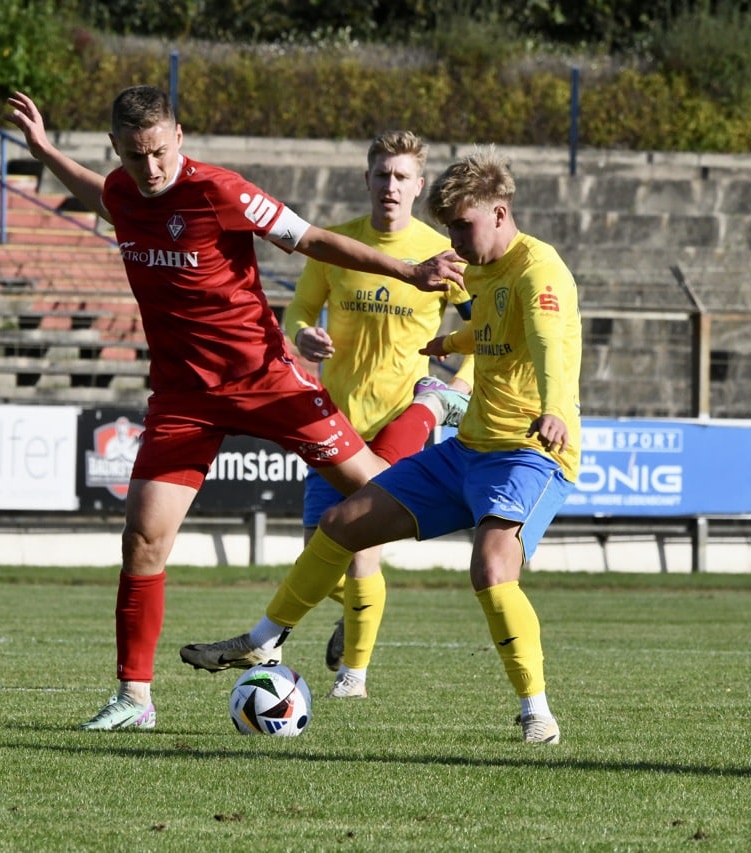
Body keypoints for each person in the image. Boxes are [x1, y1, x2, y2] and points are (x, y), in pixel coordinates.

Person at [5, 86, 467, 732]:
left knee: (383, 497)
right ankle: (134, 698)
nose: (151, 168)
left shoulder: (219, 190)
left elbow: (311, 239)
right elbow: (100, 195)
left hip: (265, 377)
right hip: (183, 396)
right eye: (135, 156)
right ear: (117, 149)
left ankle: (432, 410)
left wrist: (408, 272)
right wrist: (46, 152)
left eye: (160, 152)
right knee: (142, 536)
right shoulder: (123, 191)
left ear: (179, 137)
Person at [181, 146, 583, 744]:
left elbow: (548, 341)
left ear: (500, 213)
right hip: (468, 448)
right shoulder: (478, 267)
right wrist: (452, 345)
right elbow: (495, 328)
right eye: (449, 229)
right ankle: (263, 640)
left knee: (492, 567)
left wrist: (553, 408)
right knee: (342, 524)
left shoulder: (539, 269)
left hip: (529, 451)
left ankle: (536, 711)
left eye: (463, 226)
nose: (455, 241)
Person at [281, 129, 474, 699]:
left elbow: (487, 332)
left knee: (361, 545)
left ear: (418, 186)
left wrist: (455, 389)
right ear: (366, 179)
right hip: (336, 421)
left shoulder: (442, 255)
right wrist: (303, 335)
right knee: (319, 552)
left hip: (401, 419)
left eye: (401, 177)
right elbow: (298, 309)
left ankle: (353, 678)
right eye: (382, 174)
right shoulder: (336, 245)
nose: (391, 185)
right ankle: (355, 617)